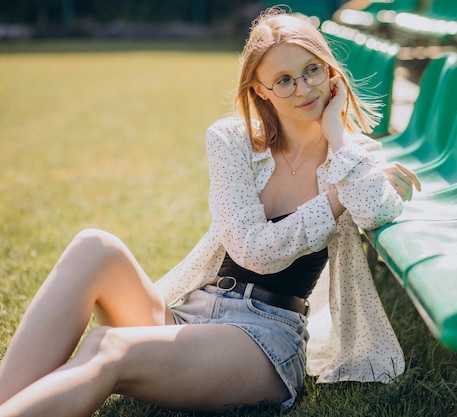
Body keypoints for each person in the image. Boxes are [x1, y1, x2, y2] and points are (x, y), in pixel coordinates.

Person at [0, 7, 420, 416]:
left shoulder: (351, 156)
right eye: (284, 80)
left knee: (108, 346)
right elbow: (251, 248)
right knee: (94, 246)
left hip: (264, 339)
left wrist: (337, 138)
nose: (304, 89)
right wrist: (333, 200)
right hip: (195, 313)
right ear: (260, 90)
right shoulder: (231, 140)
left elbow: (377, 209)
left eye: (312, 70)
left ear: (329, 69)